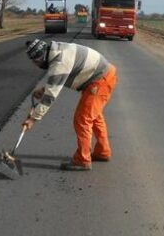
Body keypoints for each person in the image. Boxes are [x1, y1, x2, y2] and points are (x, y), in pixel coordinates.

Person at [22, 38, 118, 171]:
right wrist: (44, 89)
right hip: (105, 75)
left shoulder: (59, 62)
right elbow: (60, 79)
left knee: (82, 119)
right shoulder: (58, 50)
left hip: (99, 80)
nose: (36, 64)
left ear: (42, 55)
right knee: (95, 117)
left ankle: (82, 160)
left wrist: (33, 119)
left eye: (36, 61)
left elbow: (50, 97)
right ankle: (102, 152)